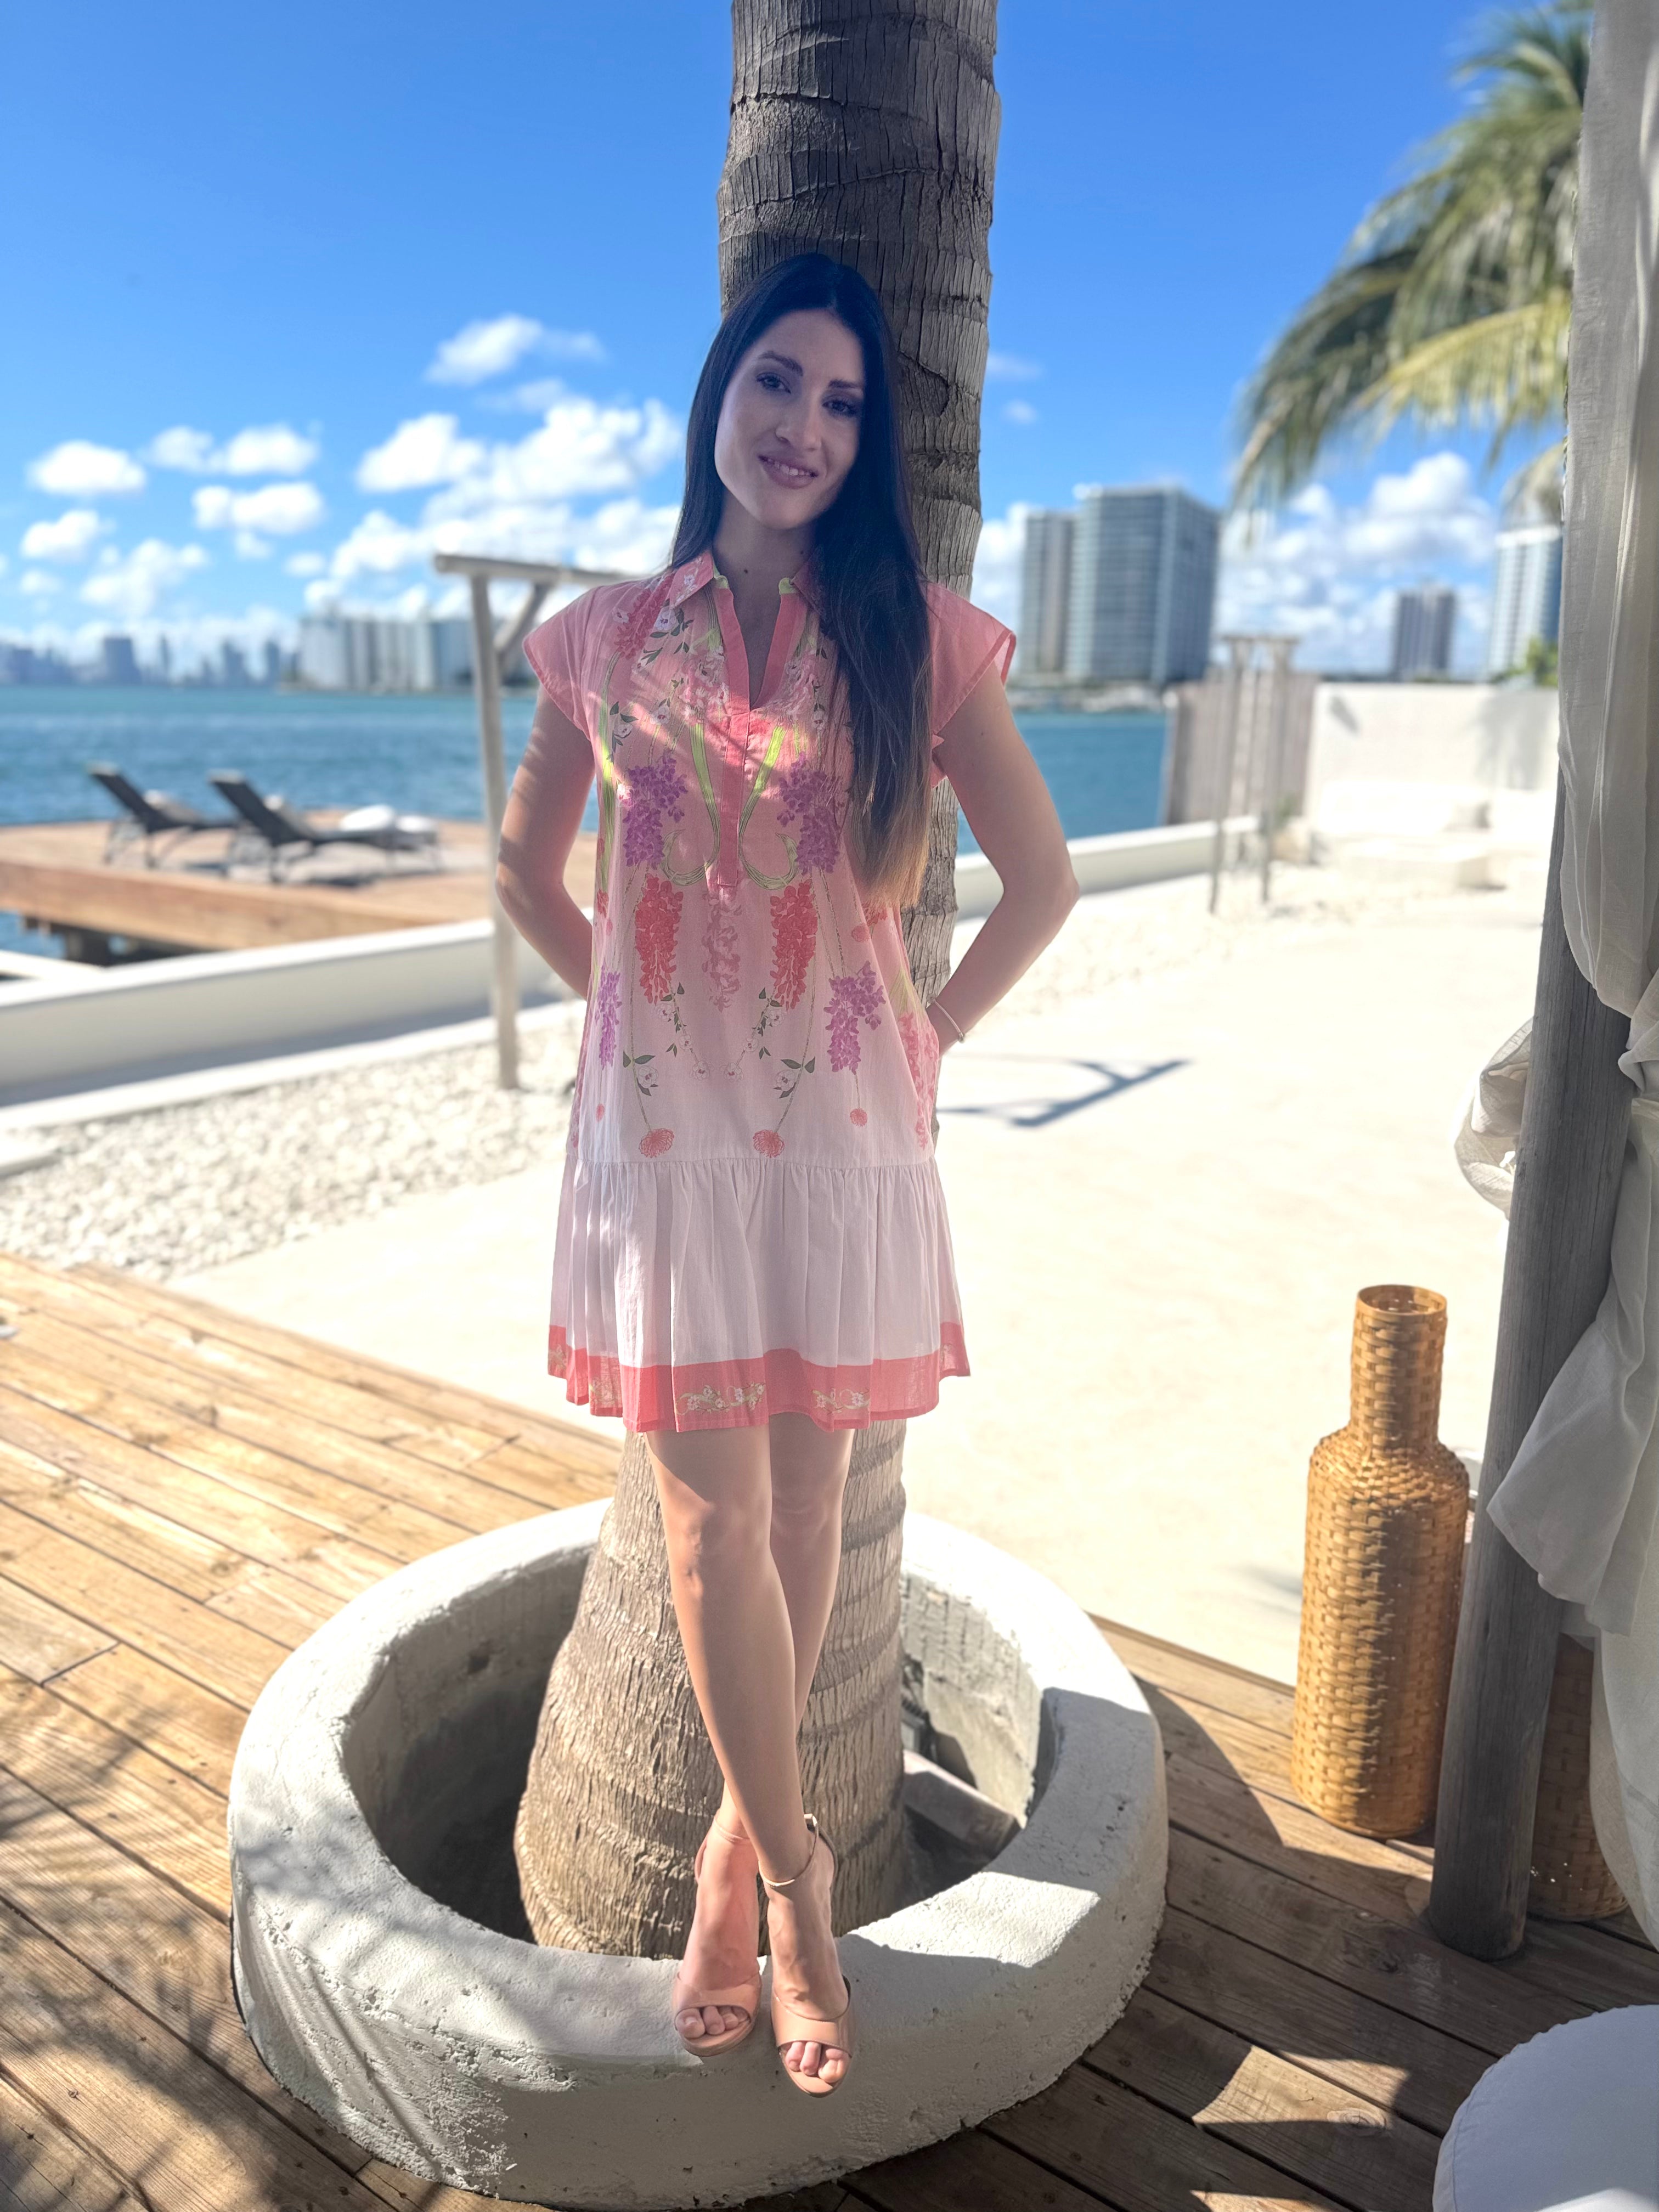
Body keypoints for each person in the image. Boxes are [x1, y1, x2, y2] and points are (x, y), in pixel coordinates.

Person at [496, 252, 1077, 2098]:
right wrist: (631, 1014)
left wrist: (933, 1034)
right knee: (705, 1530)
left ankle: (726, 1866)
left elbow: (1047, 881)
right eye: (778, 382)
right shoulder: (602, 639)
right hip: (666, 1155)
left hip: (842, 1141)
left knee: (810, 1512)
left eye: (842, 403)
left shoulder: (917, 639)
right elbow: (522, 871)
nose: (805, 427)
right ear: (719, 393)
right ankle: (801, 1891)